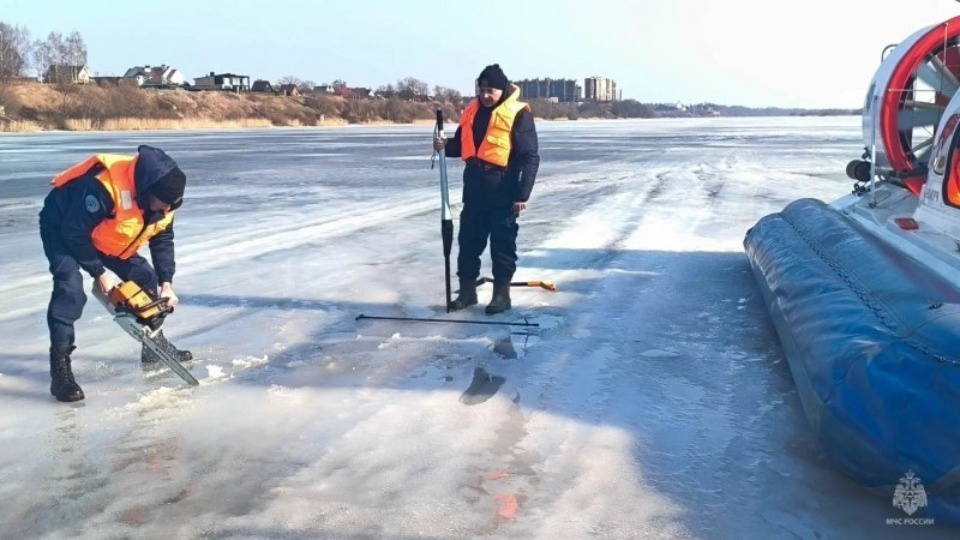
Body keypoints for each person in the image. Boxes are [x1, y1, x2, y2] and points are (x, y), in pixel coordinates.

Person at [39, 145, 193, 402]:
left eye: (171, 205)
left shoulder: (166, 202)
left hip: (102, 232)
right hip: (63, 226)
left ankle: (153, 347)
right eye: (163, 203)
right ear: (147, 191)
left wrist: (167, 282)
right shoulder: (105, 187)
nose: (166, 209)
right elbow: (73, 232)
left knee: (147, 280)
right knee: (70, 289)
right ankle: (60, 371)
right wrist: (99, 272)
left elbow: (162, 238)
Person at [433, 63, 540, 314]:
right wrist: (444, 145)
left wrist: (522, 193)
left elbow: (530, 157)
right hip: (474, 189)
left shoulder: (518, 113)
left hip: (503, 190)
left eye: (490, 90)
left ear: (502, 89)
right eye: (481, 89)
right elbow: (461, 145)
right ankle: (468, 293)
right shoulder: (471, 111)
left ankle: (501, 297)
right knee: (468, 243)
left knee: (503, 246)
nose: (485, 95)